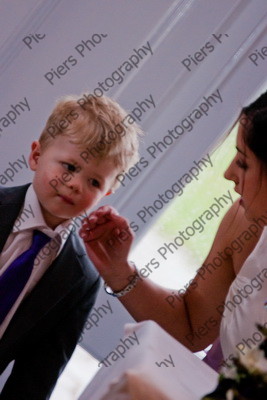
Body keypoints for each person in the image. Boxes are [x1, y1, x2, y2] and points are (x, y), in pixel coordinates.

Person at [79, 91, 267, 371]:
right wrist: (119, 270)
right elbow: (192, 326)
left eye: (243, 162)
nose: (228, 173)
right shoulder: (244, 222)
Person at [0, 93, 142, 399]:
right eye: (70, 167)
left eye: (94, 182)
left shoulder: (81, 279)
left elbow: (38, 375)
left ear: (106, 194)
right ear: (37, 156)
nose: (76, 184)